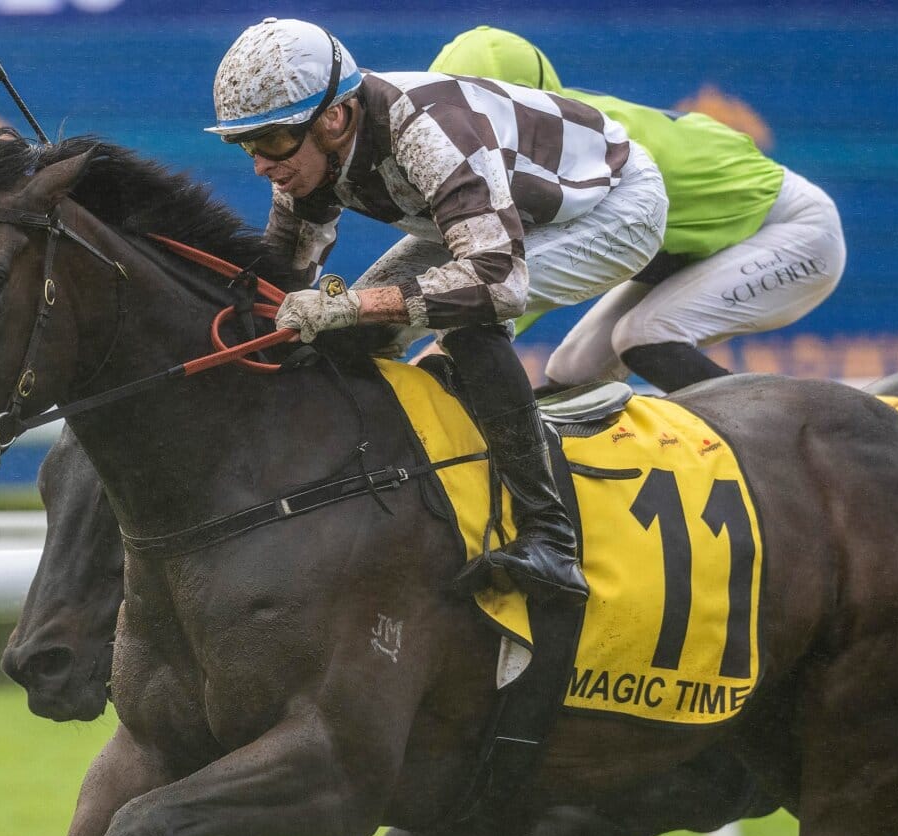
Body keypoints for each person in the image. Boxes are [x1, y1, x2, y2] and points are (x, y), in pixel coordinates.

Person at [208, 18, 668, 606]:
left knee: (464, 316)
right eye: (246, 144)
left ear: (335, 117)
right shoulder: (308, 149)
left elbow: (496, 282)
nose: (259, 165)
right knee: (342, 340)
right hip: (503, 214)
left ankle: (552, 538)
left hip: (614, 207)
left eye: (271, 140)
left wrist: (350, 304)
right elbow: (282, 281)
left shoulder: (426, 132)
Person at [431, 26, 846, 393]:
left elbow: (513, 280)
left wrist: (434, 357)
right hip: (704, 243)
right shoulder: (549, 134)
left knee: (647, 337)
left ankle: (782, 437)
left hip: (791, 229)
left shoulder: (570, 154)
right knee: (573, 371)